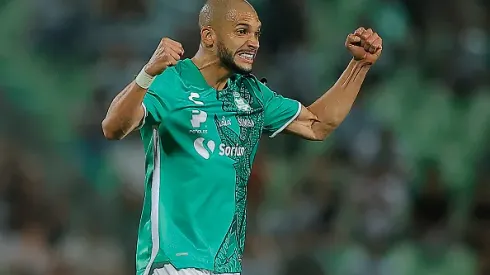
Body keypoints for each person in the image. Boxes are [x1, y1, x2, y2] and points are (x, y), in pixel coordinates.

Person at [101, 0, 382, 274]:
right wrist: (147, 73)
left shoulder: (251, 93)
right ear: (209, 36)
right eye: (241, 31)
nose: (254, 42)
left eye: (257, 33)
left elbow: (317, 124)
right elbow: (113, 127)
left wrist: (359, 66)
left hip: (226, 266)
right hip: (174, 262)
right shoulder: (171, 81)